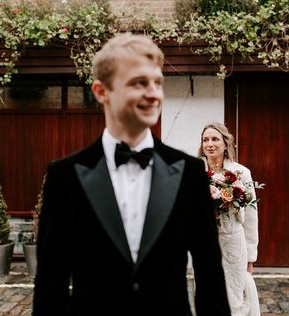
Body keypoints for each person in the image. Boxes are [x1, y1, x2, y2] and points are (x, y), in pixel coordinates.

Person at [33, 33, 231, 316]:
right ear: (102, 92)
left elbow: (210, 275)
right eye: (139, 83)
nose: (153, 93)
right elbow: (50, 285)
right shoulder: (64, 176)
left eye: (157, 83)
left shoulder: (190, 173)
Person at [198, 122, 261, 316]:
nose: (210, 144)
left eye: (215, 139)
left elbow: (250, 218)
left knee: (234, 297)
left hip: (234, 242)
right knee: (208, 295)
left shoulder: (241, 173)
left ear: (226, 144)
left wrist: (251, 256)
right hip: (206, 244)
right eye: (205, 140)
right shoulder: (196, 172)